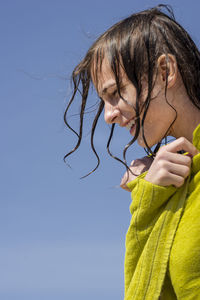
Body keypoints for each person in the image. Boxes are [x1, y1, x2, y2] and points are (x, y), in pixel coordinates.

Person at [64, 5, 200, 299]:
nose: (108, 116)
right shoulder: (168, 181)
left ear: (165, 72)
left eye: (115, 93)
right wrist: (148, 196)